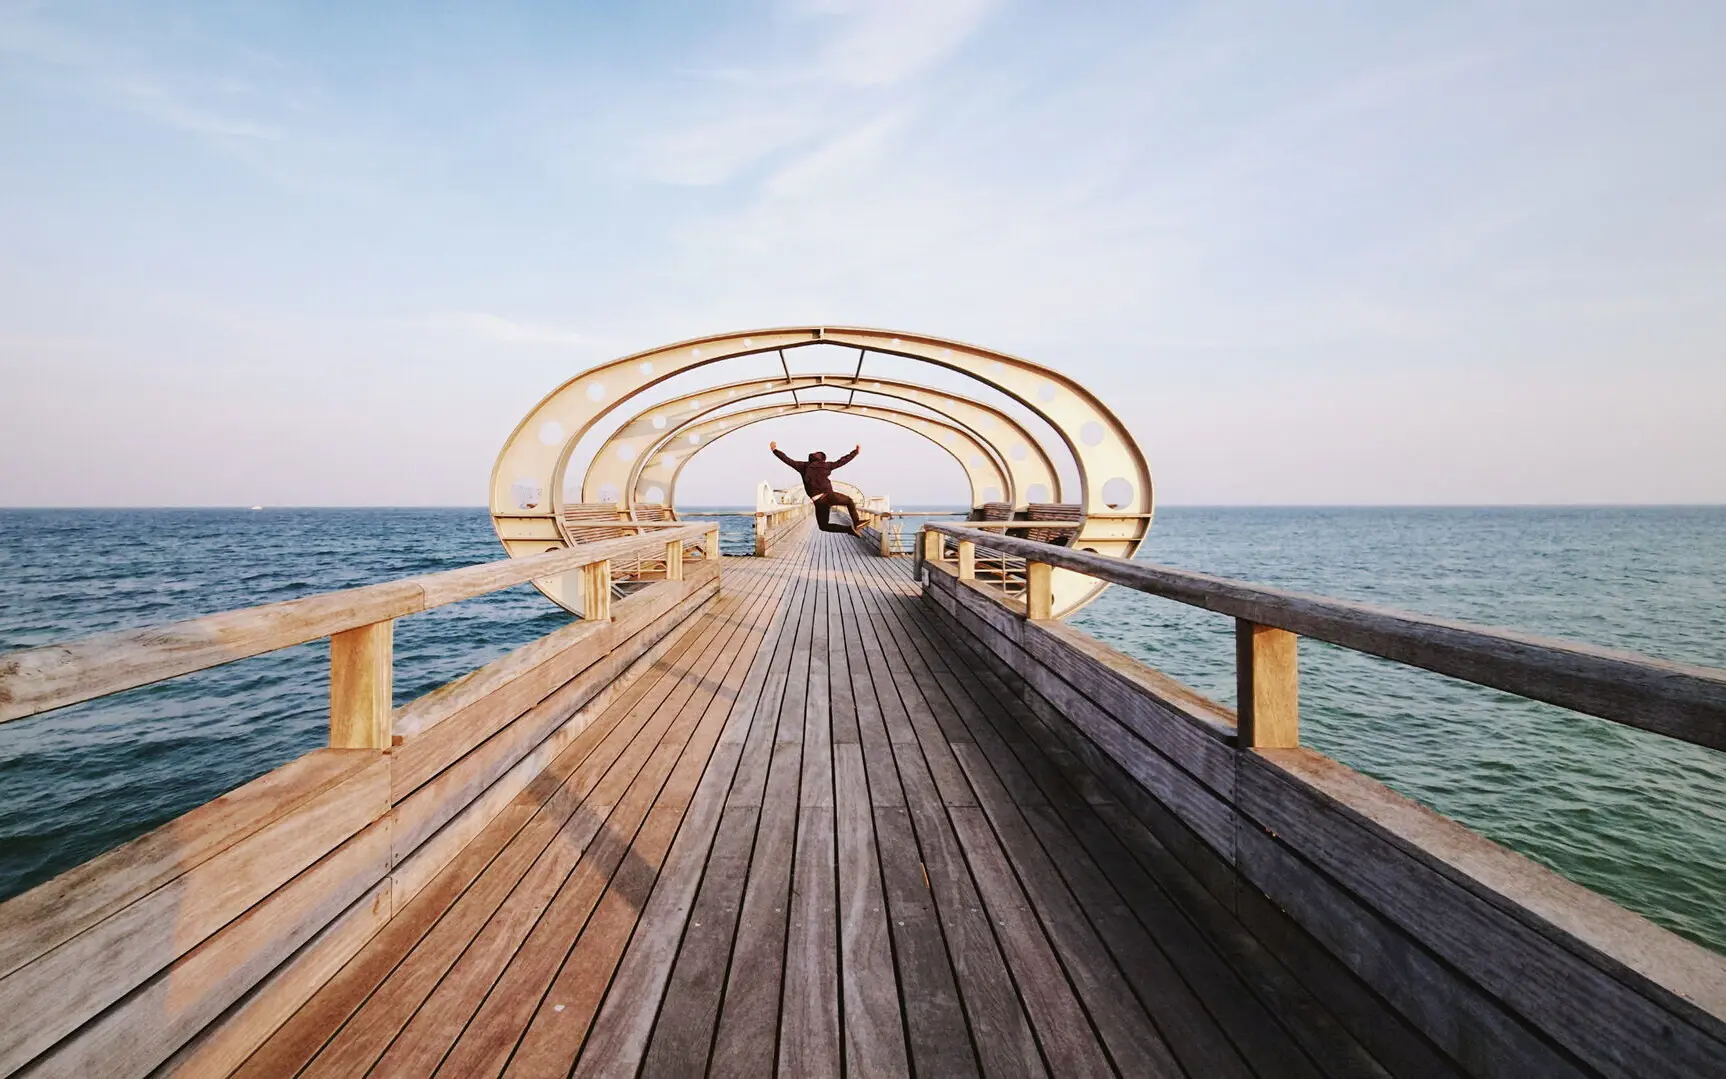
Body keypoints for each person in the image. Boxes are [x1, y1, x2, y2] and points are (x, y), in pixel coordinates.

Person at [771, 441, 864, 535]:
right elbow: (842, 461)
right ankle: (857, 522)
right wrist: (855, 452)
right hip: (830, 495)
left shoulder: (803, 466)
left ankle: (848, 529)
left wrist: (775, 450)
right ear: (823, 459)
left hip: (819, 501)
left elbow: (787, 460)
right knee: (849, 501)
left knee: (823, 526)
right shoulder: (826, 465)